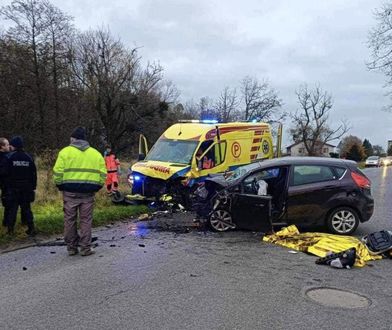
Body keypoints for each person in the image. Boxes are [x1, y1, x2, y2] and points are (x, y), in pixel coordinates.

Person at [53, 127, 106, 256]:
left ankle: (71, 248)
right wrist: (97, 187)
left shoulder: (65, 152)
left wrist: (60, 185)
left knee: (69, 220)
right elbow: (103, 174)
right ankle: (85, 248)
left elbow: (58, 172)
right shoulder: (95, 154)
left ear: (73, 139)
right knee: (86, 220)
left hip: (69, 192)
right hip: (88, 193)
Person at [0, 136, 37, 236]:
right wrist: (33, 187)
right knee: (27, 209)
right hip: (26, 188)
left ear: (14, 146)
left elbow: (3, 172)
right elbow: (33, 174)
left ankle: (10, 231)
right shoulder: (28, 157)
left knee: (13, 209)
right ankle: (31, 228)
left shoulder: (9, 157)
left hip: (13, 188)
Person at [0, 138, 10, 228]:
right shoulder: (6, 157)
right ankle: (6, 223)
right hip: (5, 184)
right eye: (7, 145)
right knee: (8, 204)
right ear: (2, 146)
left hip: (4, 184)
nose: (9, 146)